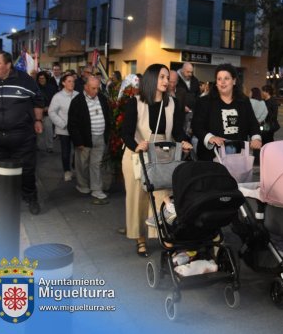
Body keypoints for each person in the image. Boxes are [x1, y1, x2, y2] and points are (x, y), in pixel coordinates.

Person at [121, 64, 193, 257]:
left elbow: (177, 132)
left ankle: (163, 236)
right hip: (137, 155)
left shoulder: (173, 104)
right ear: (152, 79)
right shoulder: (135, 102)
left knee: (163, 197)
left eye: (167, 77)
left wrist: (183, 142)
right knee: (138, 199)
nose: (166, 81)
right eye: (161, 77)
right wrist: (136, 146)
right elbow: (125, 132)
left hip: (162, 155)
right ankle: (140, 239)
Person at [0, 50, 45, 216]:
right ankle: (3, 204)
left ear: (8, 65)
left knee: (26, 171)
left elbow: (38, 101)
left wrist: (38, 120)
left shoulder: (25, 80)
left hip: (23, 137)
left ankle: (31, 198)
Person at [191, 63, 262, 161]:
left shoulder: (243, 101)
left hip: (238, 156)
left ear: (234, 81)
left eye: (226, 78)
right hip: (210, 157)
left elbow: (252, 123)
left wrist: (256, 138)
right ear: (216, 82)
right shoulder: (204, 101)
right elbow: (196, 126)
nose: (222, 82)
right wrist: (210, 138)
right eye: (219, 79)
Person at [67, 76, 112, 200]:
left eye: (98, 88)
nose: (96, 91)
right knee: (82, 164)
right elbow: (72, 124)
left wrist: (107, 134)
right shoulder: (77, 101)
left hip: (100, 137)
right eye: (93, 88)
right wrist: (78, 141)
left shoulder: (102, 98)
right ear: (85, 87)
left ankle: (96, 189)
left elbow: (107, 116)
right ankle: (82, 185)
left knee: (96, 164)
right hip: (84, 139)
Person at [48, 73, 79, 181]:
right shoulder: (58, 96)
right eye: (69, 81)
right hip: (63, 129)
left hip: (76, 129)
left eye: (73, 81)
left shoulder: (78, 95)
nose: (72, 83)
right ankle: (67, 171)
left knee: (79, 150)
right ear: (63, 83)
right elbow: (51, 112)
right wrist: (62, 124)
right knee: (66, 152)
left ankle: (76, 167)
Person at [35, 71, 56, 153]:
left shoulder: (51, 88)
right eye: (40, 78)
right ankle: (38, 146)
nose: (41, 80)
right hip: (37, 113)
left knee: (48, 130)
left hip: (48, 112)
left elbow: (55, 100)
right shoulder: (35, 88)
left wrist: (49, 107)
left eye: (43, 78)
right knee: (38, 131)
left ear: (46, 78)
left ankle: (49, 146)